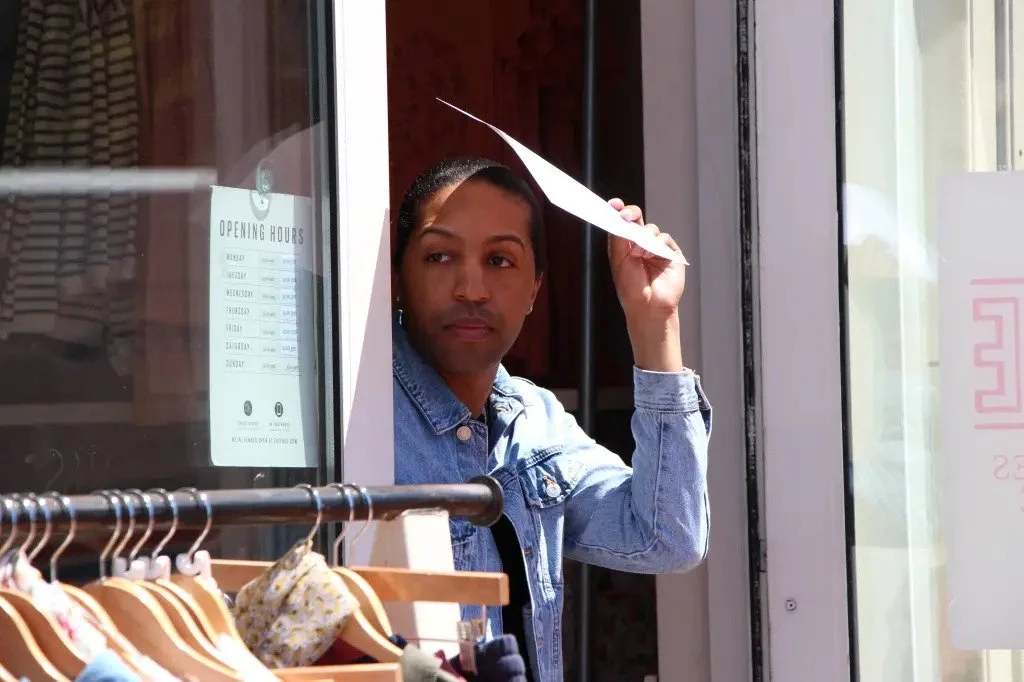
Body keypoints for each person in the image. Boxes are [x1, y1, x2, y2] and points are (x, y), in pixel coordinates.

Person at [392, 157, 711, 682]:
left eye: (500, 260)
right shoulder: (356, 415)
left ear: (534, 291)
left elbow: (668, 538)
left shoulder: (534, 421)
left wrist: (654, 320)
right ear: (399, 276)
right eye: (440, 256)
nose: (471, 288)